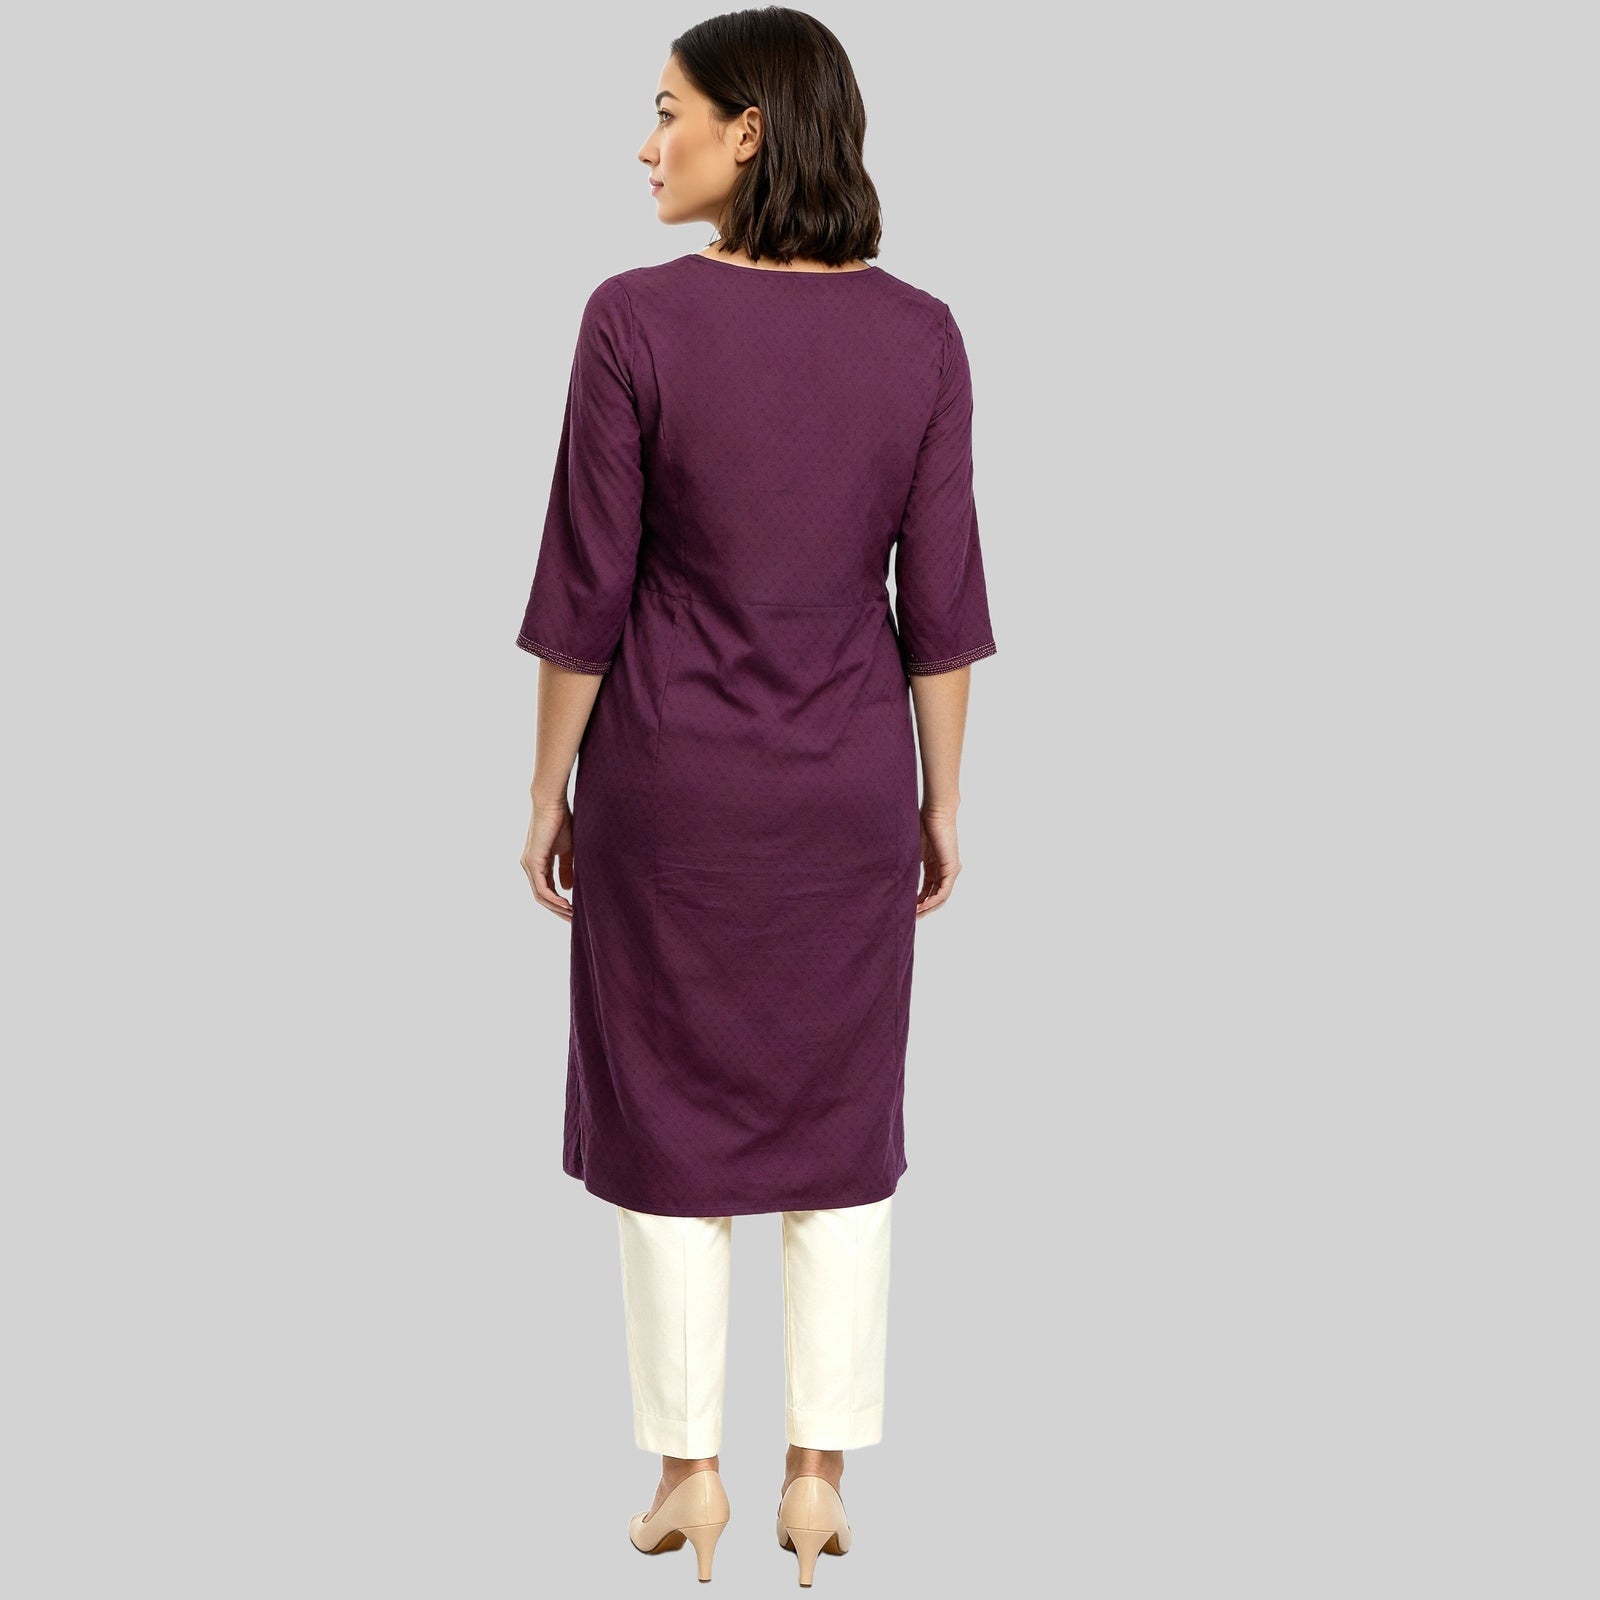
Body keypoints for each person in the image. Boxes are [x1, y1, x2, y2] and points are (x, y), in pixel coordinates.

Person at [514, 9, 997, 1585]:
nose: (645, 144)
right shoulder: (923, 336)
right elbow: (944, 606)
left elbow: (584, 593)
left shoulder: (633, 321)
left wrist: (545, 786)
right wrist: (939, 799)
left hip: (670, 792)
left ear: (752, 133)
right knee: (841, 1127)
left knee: (667, 1122)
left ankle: (688, 1479)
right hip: (845, 792)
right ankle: (816, 1484)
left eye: (669, 111)